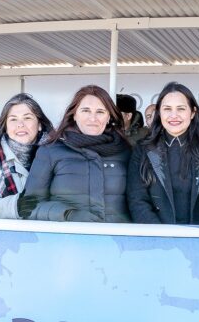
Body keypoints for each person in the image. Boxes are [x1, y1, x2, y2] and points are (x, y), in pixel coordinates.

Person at [19, 85, 131, 222]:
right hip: (69, 239)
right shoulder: (50, 151)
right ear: (74, 115)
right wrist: (68, 215)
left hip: (118, 240)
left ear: (109, 117)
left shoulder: (125, 151)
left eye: (100, 112)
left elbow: (138, 201)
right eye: (85, 110)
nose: (93, 118)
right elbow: (29, 206)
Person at [128, 82, 199, 225]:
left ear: (192, 113)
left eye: (181, 109)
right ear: (159, 113)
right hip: (157, 239)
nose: (174, 115)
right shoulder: (142, 150)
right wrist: (162, 236)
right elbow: (137, 199)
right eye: (167, 109)